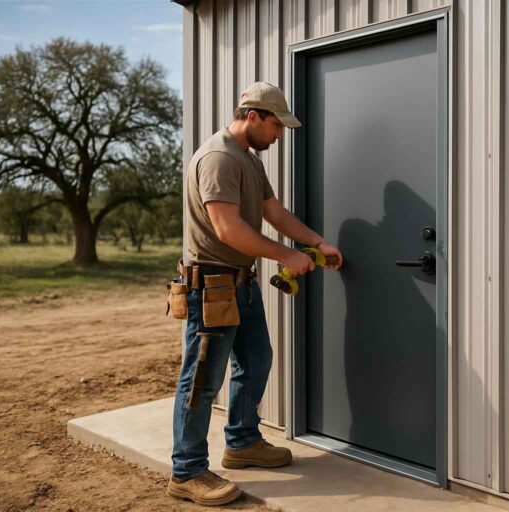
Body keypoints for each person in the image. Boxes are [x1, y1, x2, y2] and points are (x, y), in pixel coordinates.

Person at [168, 81, 343, 506]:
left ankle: (242, 442)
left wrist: (317, 243)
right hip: (212, 285)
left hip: (239, 284)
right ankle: (186, 471)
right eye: (275, 126)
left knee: (257, 359)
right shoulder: (218, 158)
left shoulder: (247, 159)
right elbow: (228, 229)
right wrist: (286, 256)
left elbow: (273, 212)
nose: (279, 135)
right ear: (252, 117)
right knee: (202, 381)